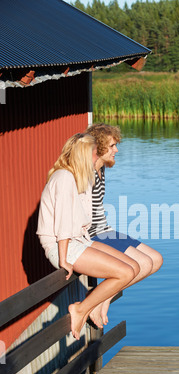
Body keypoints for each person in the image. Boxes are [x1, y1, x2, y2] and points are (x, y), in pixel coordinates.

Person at [37, 133, 139, 340]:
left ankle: (91, 304)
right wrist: (63, 258)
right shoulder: (65, 178)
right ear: (84, 155)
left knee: (134, 267)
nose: (98, 158)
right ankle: (82, 308)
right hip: (62, 245)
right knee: (125, 273)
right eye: (95, 154)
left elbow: (80, 221)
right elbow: (63, 223)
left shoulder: (79, 178)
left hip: (79, 240)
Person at [84, 123, 163, 326]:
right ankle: (96, 302)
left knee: (155, 259)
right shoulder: (85, 174)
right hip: (93, 234)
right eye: (111, 146)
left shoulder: (101, 170)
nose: (116, 150)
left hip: (105, 230)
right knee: (142, 264)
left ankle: (103, 298)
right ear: (98, 148)